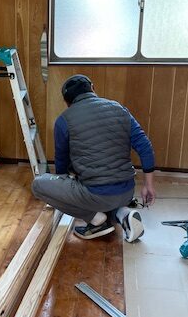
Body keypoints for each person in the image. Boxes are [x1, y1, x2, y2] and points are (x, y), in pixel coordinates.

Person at [32, 74, 156, 241]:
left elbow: (61, 161)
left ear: (67, 102)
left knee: (38, 184)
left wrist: (64, 188)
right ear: (92, 88)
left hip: (96, 196)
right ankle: (122, 213)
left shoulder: (64, 120)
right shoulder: (119, 109)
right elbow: (145, 146)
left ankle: (95, 220)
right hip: (127, 191)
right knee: (100, 192)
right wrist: (148, 185)